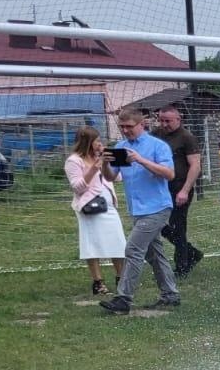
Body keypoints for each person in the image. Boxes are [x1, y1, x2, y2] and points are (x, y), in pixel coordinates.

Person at [99, 107, 179, 315]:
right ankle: (170, 294)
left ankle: (124, 298)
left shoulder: (157, 146)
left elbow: (169, 174)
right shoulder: (120, 146)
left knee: (133, 249)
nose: (125, 130)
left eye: (129, 126)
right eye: (122, 127)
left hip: (158, 207)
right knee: (154, 254)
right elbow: (110, 177)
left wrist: (141, 160)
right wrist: (105, 164)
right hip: (137, 209)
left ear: (141, 125)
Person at [63, 126, 126, 296]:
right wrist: (93, 168)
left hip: (109, 206)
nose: (100, 143)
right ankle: (98, 282)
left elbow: (117, 177)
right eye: (97, 141)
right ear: (88, 143)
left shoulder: (101, 156)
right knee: (92, 243)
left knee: (118, 241)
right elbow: (77, 188)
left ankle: (121, 278)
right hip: (90, 207)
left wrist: (108, 161)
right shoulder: (73, 161)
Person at [153, 105, 204, 276]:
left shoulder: (186, 137)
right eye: (161, 120)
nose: (164, 124)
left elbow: (195, 166)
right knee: (158, 224)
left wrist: (185, 190)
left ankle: (182, 265)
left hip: (180, 187)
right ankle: (191, 253)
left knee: (178, 225)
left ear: (178, 119)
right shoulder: (157, 134)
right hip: (161, 188)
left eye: (168, 121)